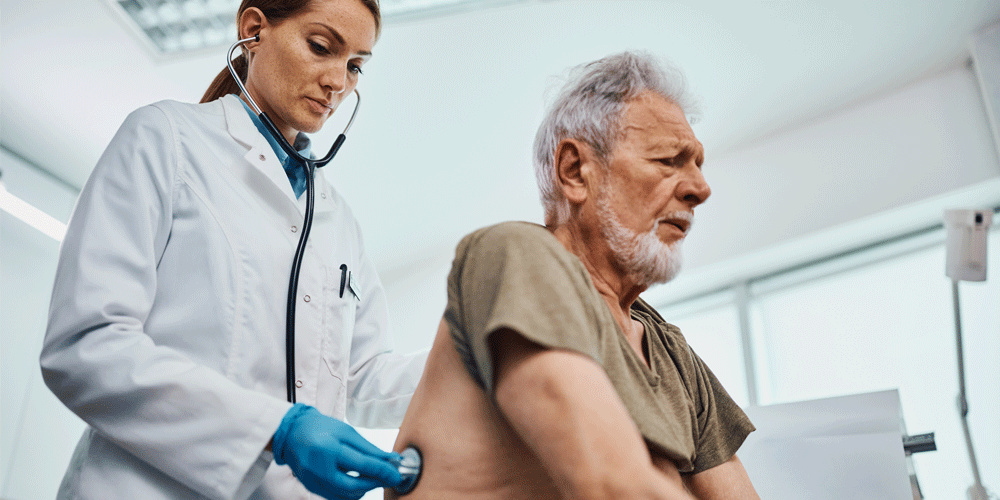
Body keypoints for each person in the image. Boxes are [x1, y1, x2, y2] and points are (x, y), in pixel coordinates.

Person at [39, 1, 427, 499]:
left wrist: (484, 357)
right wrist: (275, 430)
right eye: (321, 47)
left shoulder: (338, 219)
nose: (338, 81)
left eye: (355, 66)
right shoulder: (166, 139)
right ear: (254, 30)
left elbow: (362, 378)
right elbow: (86, 345)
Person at [389, 51, 759, 499]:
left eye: (698, 163)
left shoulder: (672, 353)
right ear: (574, 171)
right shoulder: (517, 254)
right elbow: (610, 484)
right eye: (668, 161)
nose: (700, 188)